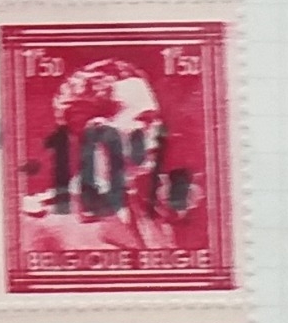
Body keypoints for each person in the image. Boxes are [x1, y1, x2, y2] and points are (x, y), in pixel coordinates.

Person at [19, 59, 195, 260]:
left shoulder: (157, 219)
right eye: (144, 119)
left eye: (157, 120)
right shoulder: (42, 225)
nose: (159, 131)